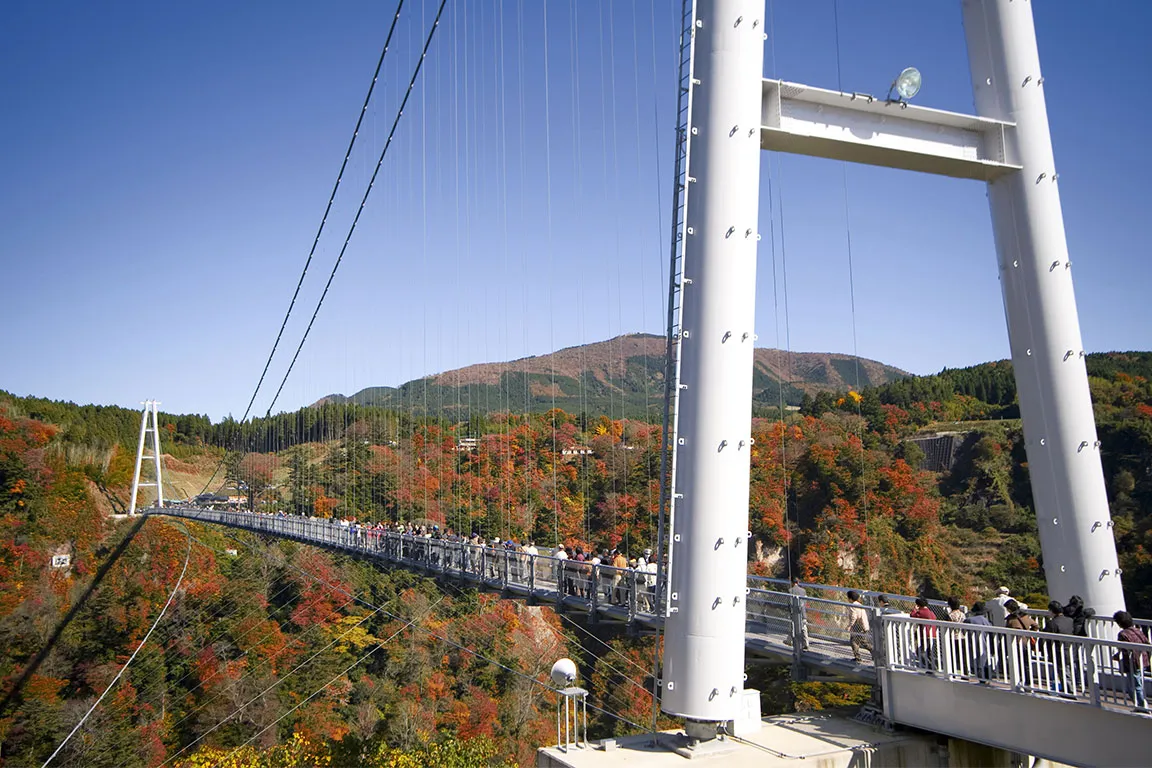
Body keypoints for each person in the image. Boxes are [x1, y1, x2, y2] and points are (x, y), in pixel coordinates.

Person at [1113, 611, 1150, 711]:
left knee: (1133, 687)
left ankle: (1141, 706)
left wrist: (1116, 656)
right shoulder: (1138, 631)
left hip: (1132, 663)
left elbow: (1124, 650)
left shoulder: (1123, 634)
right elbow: (1146, 642)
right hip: (1143, 660)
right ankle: (1141, 705)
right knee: (1139, 684)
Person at [910, 597, 939, 671]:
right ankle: (931, 668)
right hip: (933, 635)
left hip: (925, 635)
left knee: (920, 652)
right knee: (929, 653)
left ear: (919, 605)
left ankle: (930, 666)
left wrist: (914, 610)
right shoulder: (931, 613)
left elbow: (912, 616)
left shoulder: (921, 612)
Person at [846, 590, 872, 663]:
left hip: (858, 626)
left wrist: (849, 626)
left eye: (848, 597)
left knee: (853, 641)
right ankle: (874, 653)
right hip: (864, 626)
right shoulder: (859, 604)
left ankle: (858, 658)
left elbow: (854, 617)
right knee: (863, 641)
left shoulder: (853, 606)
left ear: (850, 598)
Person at [787, 578, 810, 650]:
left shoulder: (790, 590)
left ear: (792, 583)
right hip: (802, 612)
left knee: (793, 627)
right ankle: (806, 643)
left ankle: (790, 641)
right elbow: (805, 602)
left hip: (794, 612)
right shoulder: (803, 591)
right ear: (798, 582)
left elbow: (789, 603)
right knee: (804, 628)